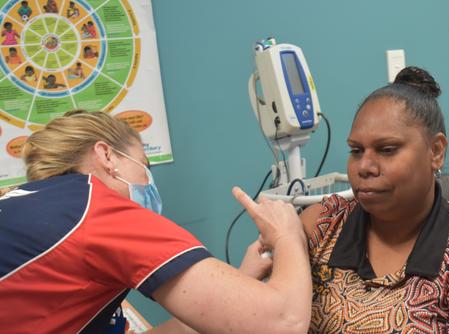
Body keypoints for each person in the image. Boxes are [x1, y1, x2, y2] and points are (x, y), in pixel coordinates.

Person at [0, 110, 311, 333]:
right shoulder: (93, 210)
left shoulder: (29, 207)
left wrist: (239, 283)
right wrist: (287, 236)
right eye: (144, 166)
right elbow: (282, 323)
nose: (149, 181)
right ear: (107, 156)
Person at [301, 66, 449, 333]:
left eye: (387, 150)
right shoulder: (323, 226)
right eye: (356, 150)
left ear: (435, 151)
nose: (364, 166)